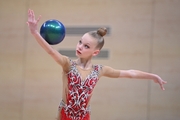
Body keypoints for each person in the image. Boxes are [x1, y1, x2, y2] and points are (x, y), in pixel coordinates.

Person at [27, 9, 167, 120]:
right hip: (65, 116)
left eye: (86, 46)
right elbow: (51, 51)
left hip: (85, 117)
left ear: (95, 52)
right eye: (80, 42)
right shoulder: (68, 65)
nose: (80, 47)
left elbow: (130, 73)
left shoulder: (99, 70)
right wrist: (34, 32)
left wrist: (152, 76)